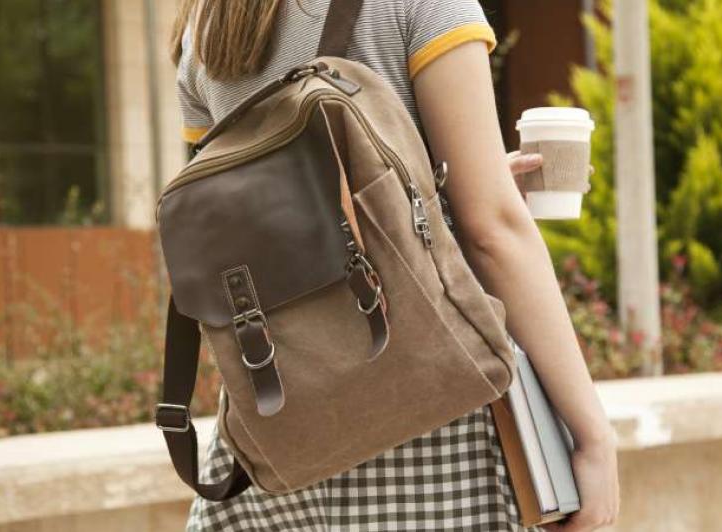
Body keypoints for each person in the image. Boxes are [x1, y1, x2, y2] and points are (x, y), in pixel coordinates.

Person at [171, 1, 620, 530]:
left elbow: (263, 213)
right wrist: (593, 435)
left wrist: (442, 192)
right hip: (427, 401)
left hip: (283, 415)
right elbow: (492, 232)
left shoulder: (209, 26)